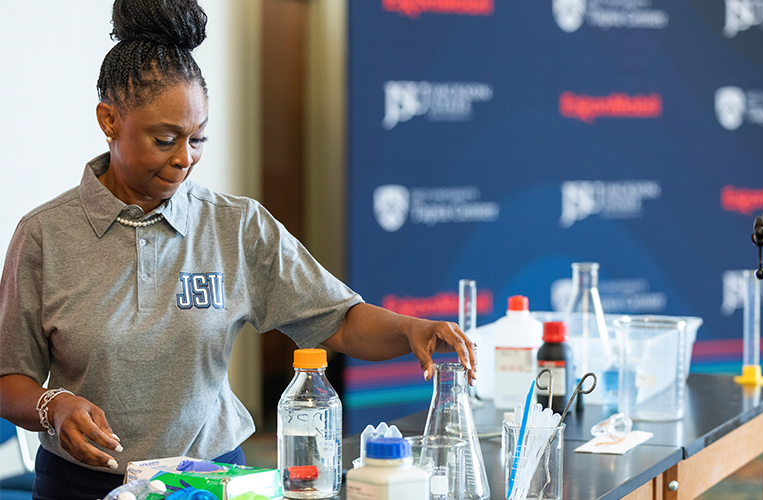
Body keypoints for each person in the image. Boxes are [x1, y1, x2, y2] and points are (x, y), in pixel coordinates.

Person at [0, 1, 476, 498]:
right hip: (83, 486)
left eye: (198, 138)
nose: (185, 158)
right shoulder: (43, 235)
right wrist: (51, 406)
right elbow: (9, 376)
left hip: (212, 482)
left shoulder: (236, 225)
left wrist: (412, 328)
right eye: (164, 139)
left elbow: (338, 320)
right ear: (109, 120)